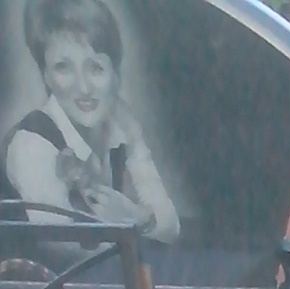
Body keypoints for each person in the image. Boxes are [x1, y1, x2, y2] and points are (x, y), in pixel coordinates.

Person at [5, 0, 177, 239]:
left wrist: (136, 217)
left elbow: (170, 227)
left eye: (95, 68)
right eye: (63, 68)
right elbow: (62, 245)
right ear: (46, 76)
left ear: (115, 74)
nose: (84, 88)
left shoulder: (122, 126)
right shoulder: (30, 143)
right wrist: (125, 226)